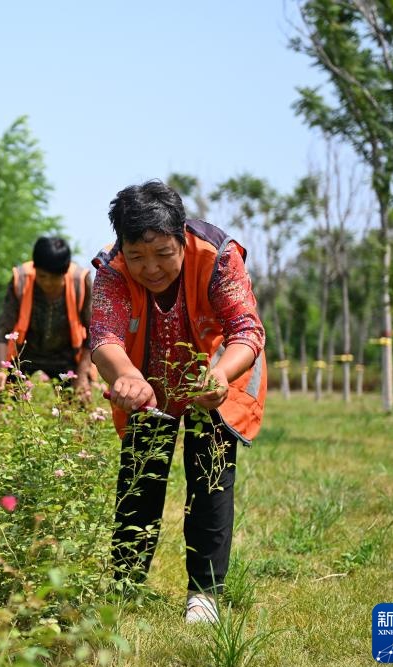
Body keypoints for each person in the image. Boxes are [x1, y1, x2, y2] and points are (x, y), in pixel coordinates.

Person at [89, 180, 267, 624]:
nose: (150, 268)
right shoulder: (111, 269)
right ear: (122, 247)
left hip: (216, 375)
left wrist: (220, 375)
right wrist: (127, 376)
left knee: (210, 477)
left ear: (181, 238)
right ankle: (125, 586)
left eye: (163, 254)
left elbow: (247, 331)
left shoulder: (218, 255)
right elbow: (104, 337)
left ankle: (204, 594)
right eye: (137, 256)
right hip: (146, 382)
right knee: (140, 478)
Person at [0, 236, 93, 402]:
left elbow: (94, 331)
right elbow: (2, 330)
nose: (48, 283)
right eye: (42, 276)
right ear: (35, 268)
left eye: (55, 278)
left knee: (79, 405)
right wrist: (1, 370)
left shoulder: (80, 281)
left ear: (65, 272)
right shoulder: (21, 279)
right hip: (25, 354)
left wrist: (82, 374)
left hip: (66, 356)